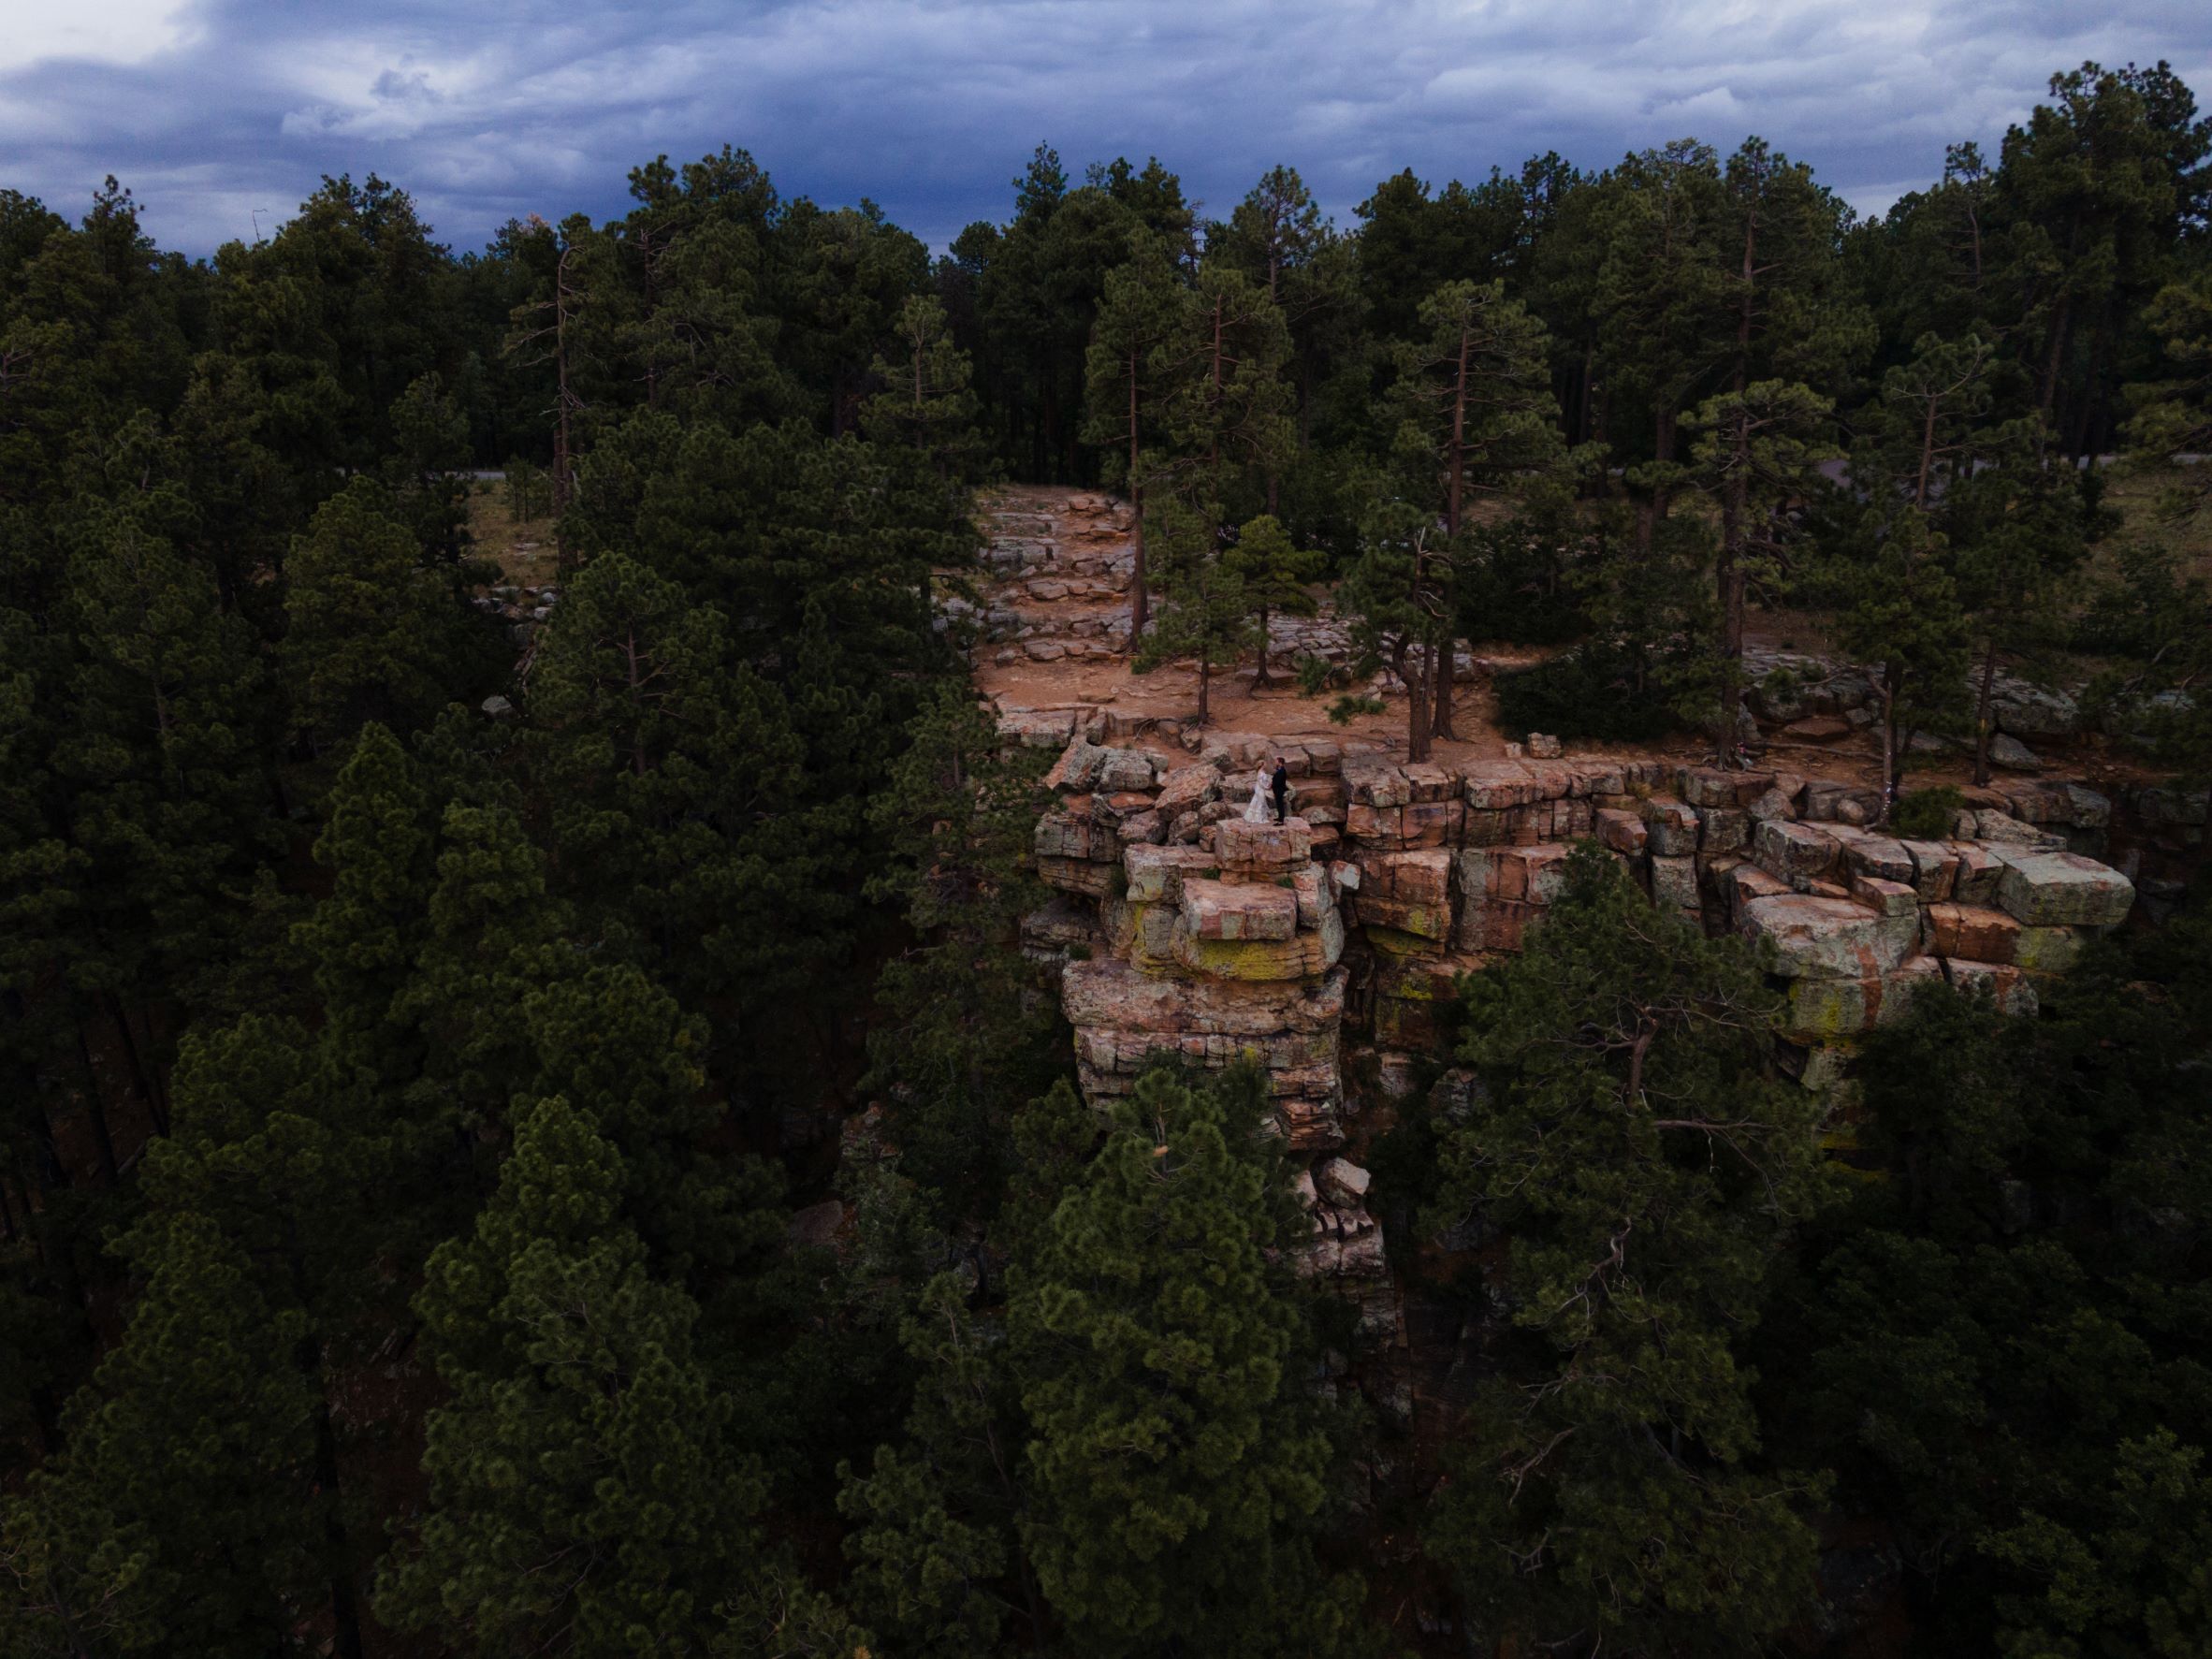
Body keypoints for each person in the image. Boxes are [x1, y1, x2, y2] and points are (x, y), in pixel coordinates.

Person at [1270, 757, 1290, 823]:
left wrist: (1272, 785)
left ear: (1280, 762)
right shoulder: (1280, 769)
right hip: (1278, 790)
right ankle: (1280, 817)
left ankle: (1281, 819)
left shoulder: (1282, 770)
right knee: (1278, 804)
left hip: (1279, 790)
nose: (1275, 762)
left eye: (1276, 761)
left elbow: (1278, 781)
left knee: (1280, 804)